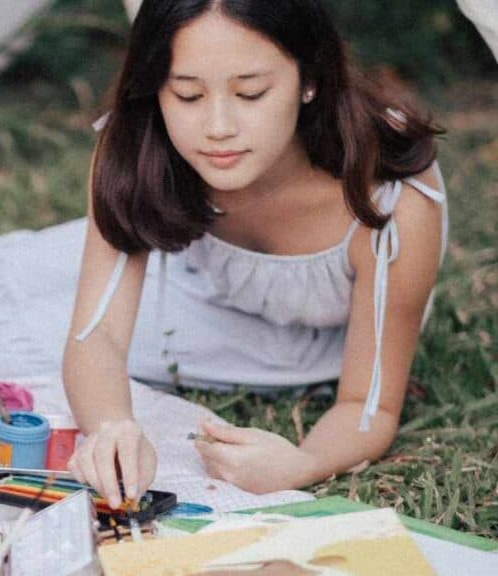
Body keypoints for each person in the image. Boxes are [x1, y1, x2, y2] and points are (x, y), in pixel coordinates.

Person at [62, 0, 446, 508]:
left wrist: (303, 462)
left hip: (331, 346)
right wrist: (111, 426)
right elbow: (97, 334)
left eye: (250, 93)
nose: (218, 127)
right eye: (187, 94)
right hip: (199, 297)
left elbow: (368, 403)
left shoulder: (391, 198)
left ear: (310, 79)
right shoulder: (140, 143)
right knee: (17, 313)